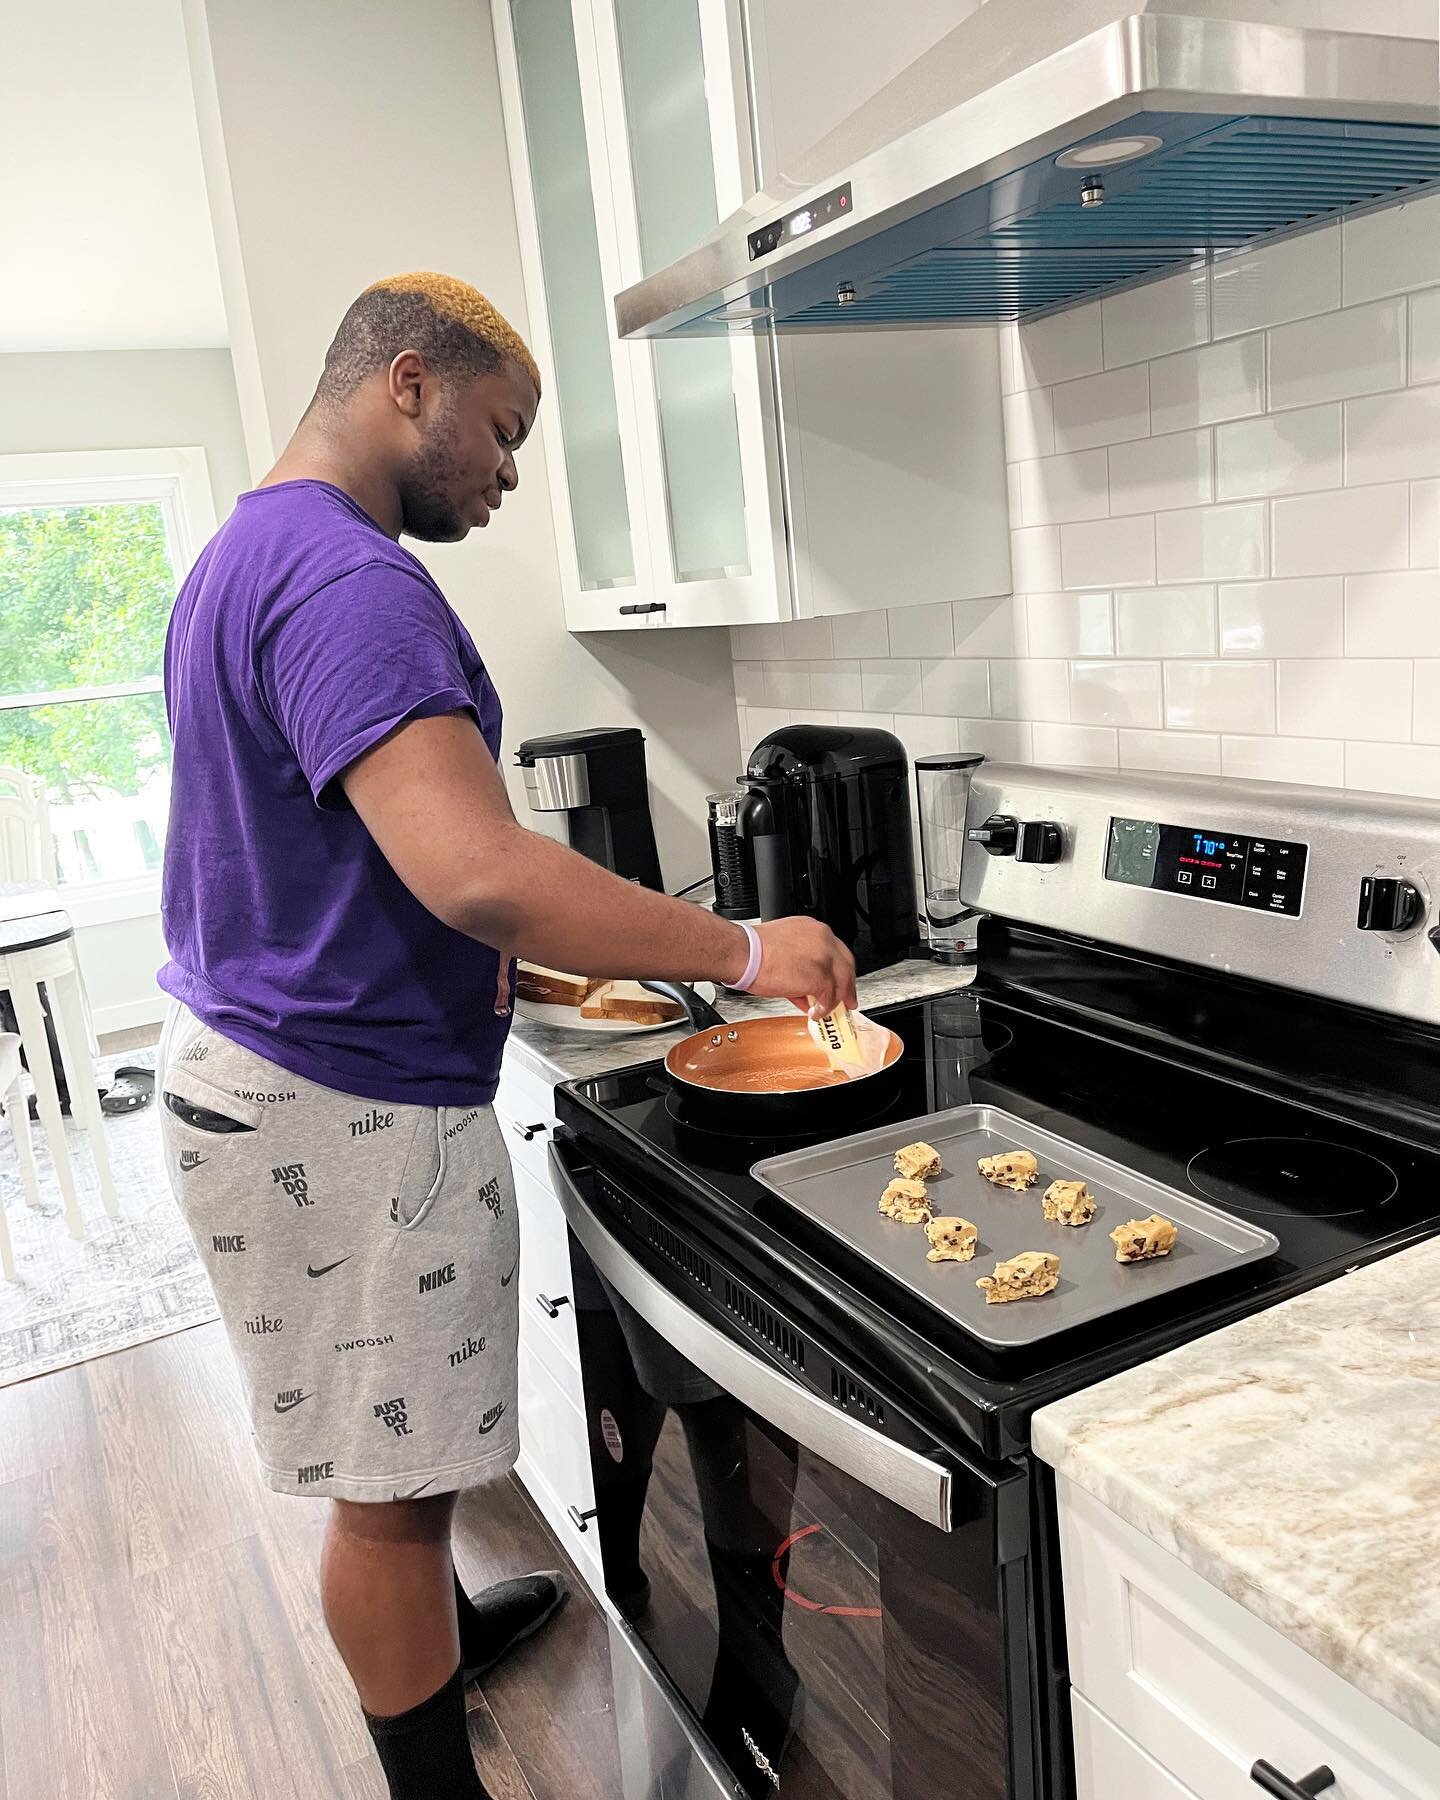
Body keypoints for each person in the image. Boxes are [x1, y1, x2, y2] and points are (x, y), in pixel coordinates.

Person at [154, 270, 856, 1800]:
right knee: (390, 1502)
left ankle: (437, 1644)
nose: (509, 471)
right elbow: (476, 869)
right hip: (338, 1116)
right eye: (500, 429)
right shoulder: (351, 581)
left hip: (274, 1075)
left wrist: (509, 977)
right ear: (410, 384)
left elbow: (324, 857)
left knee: (382, 1471)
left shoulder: (245, 554)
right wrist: (746, 948)